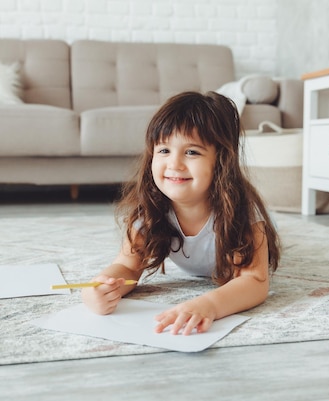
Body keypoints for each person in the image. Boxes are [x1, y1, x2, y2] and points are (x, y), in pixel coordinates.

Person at [82, 91, 281, 336]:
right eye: (164, 150)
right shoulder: (151, 209)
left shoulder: (242, 211)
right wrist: (101, 286)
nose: (174, 164)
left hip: (247, 230)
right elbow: (127, 265)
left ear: (220, 161)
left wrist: (208, 305)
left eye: (192, 152)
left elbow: (255, 282)